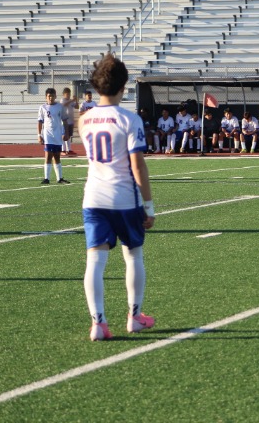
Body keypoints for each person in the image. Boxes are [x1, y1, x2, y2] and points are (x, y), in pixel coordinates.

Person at [78, 53, 155, 341]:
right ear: (123, 86)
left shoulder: (84, 120)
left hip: (94, 197)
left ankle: (98, 322)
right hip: (124, 198)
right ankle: (134, 317)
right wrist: (149, 206)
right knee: (133, 255)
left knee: (95, 261)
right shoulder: (129, 119)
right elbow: (138, 165)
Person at [37, 88, 70, 185]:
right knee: (48, 155)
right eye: (49, 96)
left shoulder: (60, 107)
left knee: (57, 156)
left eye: (52, 96)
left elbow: (65, 120)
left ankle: (59, 178)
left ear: (55, 96)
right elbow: (40, 122)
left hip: (57, 134)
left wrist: (66, 133)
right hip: (48, 135)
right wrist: (39, 135)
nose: (50, 98)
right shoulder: (43, 107)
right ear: (46, 97)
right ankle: (46, 178)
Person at [59, 87, 79, 155]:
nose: (68, 96)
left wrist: (76, 101)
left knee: (69, 136)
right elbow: (64, 105)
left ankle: (69, 149)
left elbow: (77, 107)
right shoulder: (62, 100)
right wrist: (72, 100)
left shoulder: (71, 101)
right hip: (65, 121)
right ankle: (62, 149)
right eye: (67, 94)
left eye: (69, 94)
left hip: (71, 120)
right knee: (64, 135)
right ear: (64, 94)